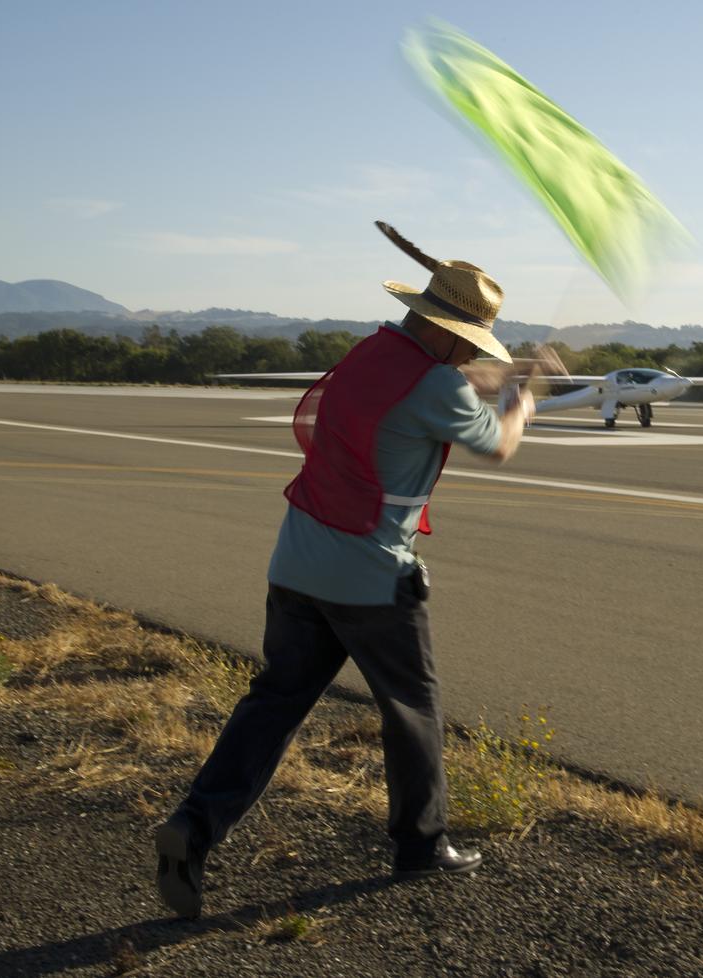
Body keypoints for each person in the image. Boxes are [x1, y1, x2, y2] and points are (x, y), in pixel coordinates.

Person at [154, 227, 536, 919]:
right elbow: (496, 444)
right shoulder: (441, 383)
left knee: (274, 703)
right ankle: (422, 845)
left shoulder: (371, 354)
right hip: (370, 575)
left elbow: (429, 392)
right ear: (453, 335)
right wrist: (521, 403)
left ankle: (195, 824)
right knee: (412, 709)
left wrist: (485, 382)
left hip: (297, 561)